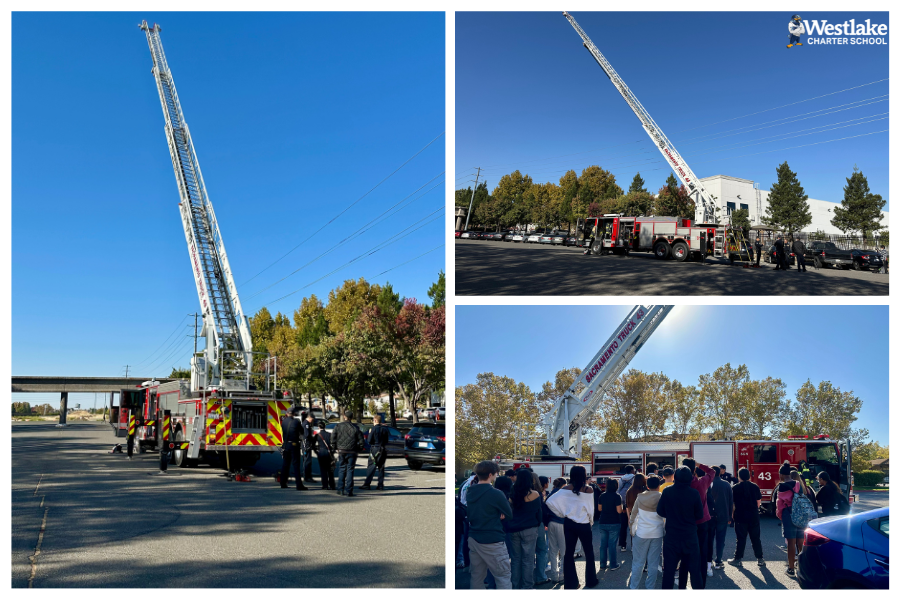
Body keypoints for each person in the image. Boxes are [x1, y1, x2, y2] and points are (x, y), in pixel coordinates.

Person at [546, 465, 598, 589]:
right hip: (584, 523)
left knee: (568, 553)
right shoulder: (588, 490)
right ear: (584, 474)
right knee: (588, 552)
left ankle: (571, 583)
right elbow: (591, 509)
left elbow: (549, 502)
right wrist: (590, 521)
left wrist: (562, 513)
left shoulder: (565, 489)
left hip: (569, 523)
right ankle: (591, 581)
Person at [467, 461, 513, 590]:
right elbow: (509, 514)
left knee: (477, 576)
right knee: (503, 576)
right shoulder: (496, 493)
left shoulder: (470, 491)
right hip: (492, 538)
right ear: (490, 474)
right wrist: (499, 514)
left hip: (474, 536)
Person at [656, 466, 705, 589]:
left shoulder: (667, 491)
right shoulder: (694, 493)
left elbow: (660, 511)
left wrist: (672, 515)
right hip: (690, 536)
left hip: (672, 536)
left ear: (675, 478)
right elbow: (699, 515)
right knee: (694, 571)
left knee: (669, 572)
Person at [507, 469, 542, 589]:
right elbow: (539, 513)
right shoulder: (535, 494)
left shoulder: (512, 493)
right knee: (528, 559)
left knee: (516, 559)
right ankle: (527, 586)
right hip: (529, 528)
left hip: (514, 528)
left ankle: (515, 585)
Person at [682, 457, 715, 583]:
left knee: (686, 551)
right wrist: (699, 464)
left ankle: (684, 580)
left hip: (685, 522)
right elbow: (712, 472)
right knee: (702, 549)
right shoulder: (702, 482)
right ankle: (701, 578)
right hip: (702, 521)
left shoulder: (679, 485)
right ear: (694, 469)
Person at [628, 475, 665, 589]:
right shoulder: (662, 497)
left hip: (642, 533)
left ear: (647, 486)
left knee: (638, 563)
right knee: (653, 563)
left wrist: (631, 529)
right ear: (659, 486)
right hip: (657, 533)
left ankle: (634, 587)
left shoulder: (640, 497)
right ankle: (650, 588)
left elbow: (633, 516)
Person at [729, 467, 765, 568]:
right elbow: (758, 502)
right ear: (749, 476)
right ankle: (760, 559)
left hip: (740, 516)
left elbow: (733, 505)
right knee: (756, 538)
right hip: (753, 516)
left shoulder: (735, 488)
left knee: (740, 539)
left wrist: (732, 515)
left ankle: (738, 559)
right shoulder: (755, 486)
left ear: (739, 476)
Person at [775, 461, 804, 577]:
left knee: (791, 542)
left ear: (781, 474)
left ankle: (791, 569)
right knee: (800, 541)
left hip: (789, 513)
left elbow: (780, 505)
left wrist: (781, 516)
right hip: (800, 513)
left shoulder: (781, 486)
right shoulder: (797, 483)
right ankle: (802, 567)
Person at [331, 410, 364, 497]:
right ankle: (349, 490)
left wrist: (334, 447)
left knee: (342, 469)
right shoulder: (355, 427)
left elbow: (333, 437)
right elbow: (361, 440)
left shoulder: (338, 426)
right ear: (352, 417)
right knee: (350, 470)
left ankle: (340, 489)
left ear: (345, 416)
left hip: (342, 450)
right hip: (352, 451)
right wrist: (359, 448)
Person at [594, 478, 623, 571]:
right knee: (612, 545)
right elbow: (619, 510)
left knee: (603, 544)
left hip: (603, 521)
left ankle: (602, 564)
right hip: (614, 522)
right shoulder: (617, 496)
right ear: (616, 486)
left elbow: (599, 509)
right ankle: (613, 564)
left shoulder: (602, 495)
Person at [709, 466, 734, 569]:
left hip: (709, 516)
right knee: (720, 539)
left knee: (709, 539)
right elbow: (730, 501)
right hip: (723, 516)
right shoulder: (726, 484)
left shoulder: (708, 484)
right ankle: (719, 560)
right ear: (720, 473)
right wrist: (729, 517)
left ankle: (708, 560)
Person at [279, 407, 309, 491]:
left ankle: (283, 482)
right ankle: (299, 485)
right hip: (294, 444)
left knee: (285, 464)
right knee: (296, 465)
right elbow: (302, 432)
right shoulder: (296, 421)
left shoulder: (284, 422)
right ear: (294, 414)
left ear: (287, 413)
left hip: (285, 445)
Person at [545, 478, 567, 583]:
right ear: (563, 485)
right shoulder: (563, 495)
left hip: (551, 523)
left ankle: (554, 575)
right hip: (561, 523)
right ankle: (562, 575)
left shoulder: (550, 495)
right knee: (563, 551)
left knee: (553, 550)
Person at [361, 415, 390, 490]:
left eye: (373, 420)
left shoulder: (373, 429)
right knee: (381, 467)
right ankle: (380, 485)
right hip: (383, 449)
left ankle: (367, 484)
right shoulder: (385, 429)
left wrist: (370, 433)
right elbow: (387, 440)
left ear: (375, 421)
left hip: (375, 448)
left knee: (371, 466)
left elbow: (369, 441)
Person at [533, 476, 551, 585]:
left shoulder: (518, 492)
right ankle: (540, 576)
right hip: (537, 524)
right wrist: (545, 522)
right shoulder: (537, 494)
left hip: (522, 526)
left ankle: (524, 580)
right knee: (541, 550)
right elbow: (540, 510)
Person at [617, 465, 636, 551]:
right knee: (633, 524)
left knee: (623, 525)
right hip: (633, 504)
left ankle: (623, 546)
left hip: (623, 504)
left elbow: (618, 490)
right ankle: (633, 546)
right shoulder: (635, 478)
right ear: (632, 470)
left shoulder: (621, 479)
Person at [314, 425, 336, 491]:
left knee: (323, 470)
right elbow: (334, 443)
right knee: (330, 470)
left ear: (318, 427)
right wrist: (333, 451)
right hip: (329, 452)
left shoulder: (318, 435)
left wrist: (316, 452)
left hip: (321, 452)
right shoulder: (329, 434)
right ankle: (332, 485)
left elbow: (313, 445)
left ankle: (325, 485)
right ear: (324, 427)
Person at [301, 411, 316, 483]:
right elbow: (306, 435)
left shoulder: (305, 423)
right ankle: (307, 477)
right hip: (306, 445)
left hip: (305, 445)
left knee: (306, 461)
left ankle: (307, 476)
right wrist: (312, 438)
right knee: (307, 461)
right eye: (312, 419)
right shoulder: (306, 424)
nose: (313, 420)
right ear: (309, 418)